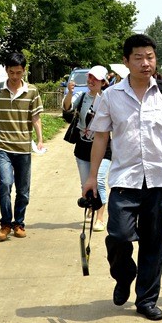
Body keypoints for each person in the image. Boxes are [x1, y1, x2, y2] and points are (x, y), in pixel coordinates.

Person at [85, 34, 162, 321]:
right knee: (119, 236)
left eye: (150, 57)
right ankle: (124, 275)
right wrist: (92, 177)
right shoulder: (111, 96)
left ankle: (146, 300)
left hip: (160, 180)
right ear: (125, 62)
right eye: (139, 58)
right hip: (125, 180)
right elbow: (100, 138)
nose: (146, 63)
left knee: (153, 242)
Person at [0, 51, 44, 241]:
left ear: (24, 71)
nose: (15, 77)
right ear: (6, 70)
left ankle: (19, 223)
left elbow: (35, 118)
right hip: (3, 146)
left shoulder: (32, 91)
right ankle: (5, 224)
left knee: (23, 190)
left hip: (24, 147)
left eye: (18, 72)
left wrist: (40, 139)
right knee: (5, 184)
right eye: (11, 72)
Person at [68, 65, 111, 231]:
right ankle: (92, 206)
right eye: (90, 77)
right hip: (83, 147)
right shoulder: (82, 96)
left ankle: (100, 218)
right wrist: (70, 93)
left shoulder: (108, 98)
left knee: (99, 180)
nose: (91, 81)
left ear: (103, 82)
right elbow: (67, 110)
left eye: (96, 78)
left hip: (103, 148)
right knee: (86, 183)